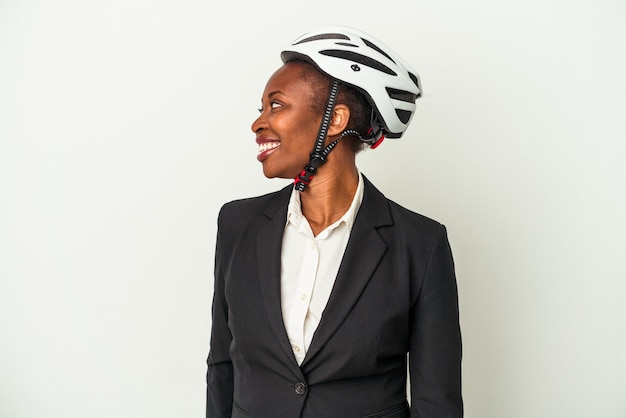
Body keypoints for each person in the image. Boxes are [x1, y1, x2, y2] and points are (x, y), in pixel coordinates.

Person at [206, 26, 462, 418]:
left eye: (276, 105)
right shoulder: (237, 225)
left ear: (336, 119)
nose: (258, 123)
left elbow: (436, 402)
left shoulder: (420, 244)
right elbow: (223, 364)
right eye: (260, 108)